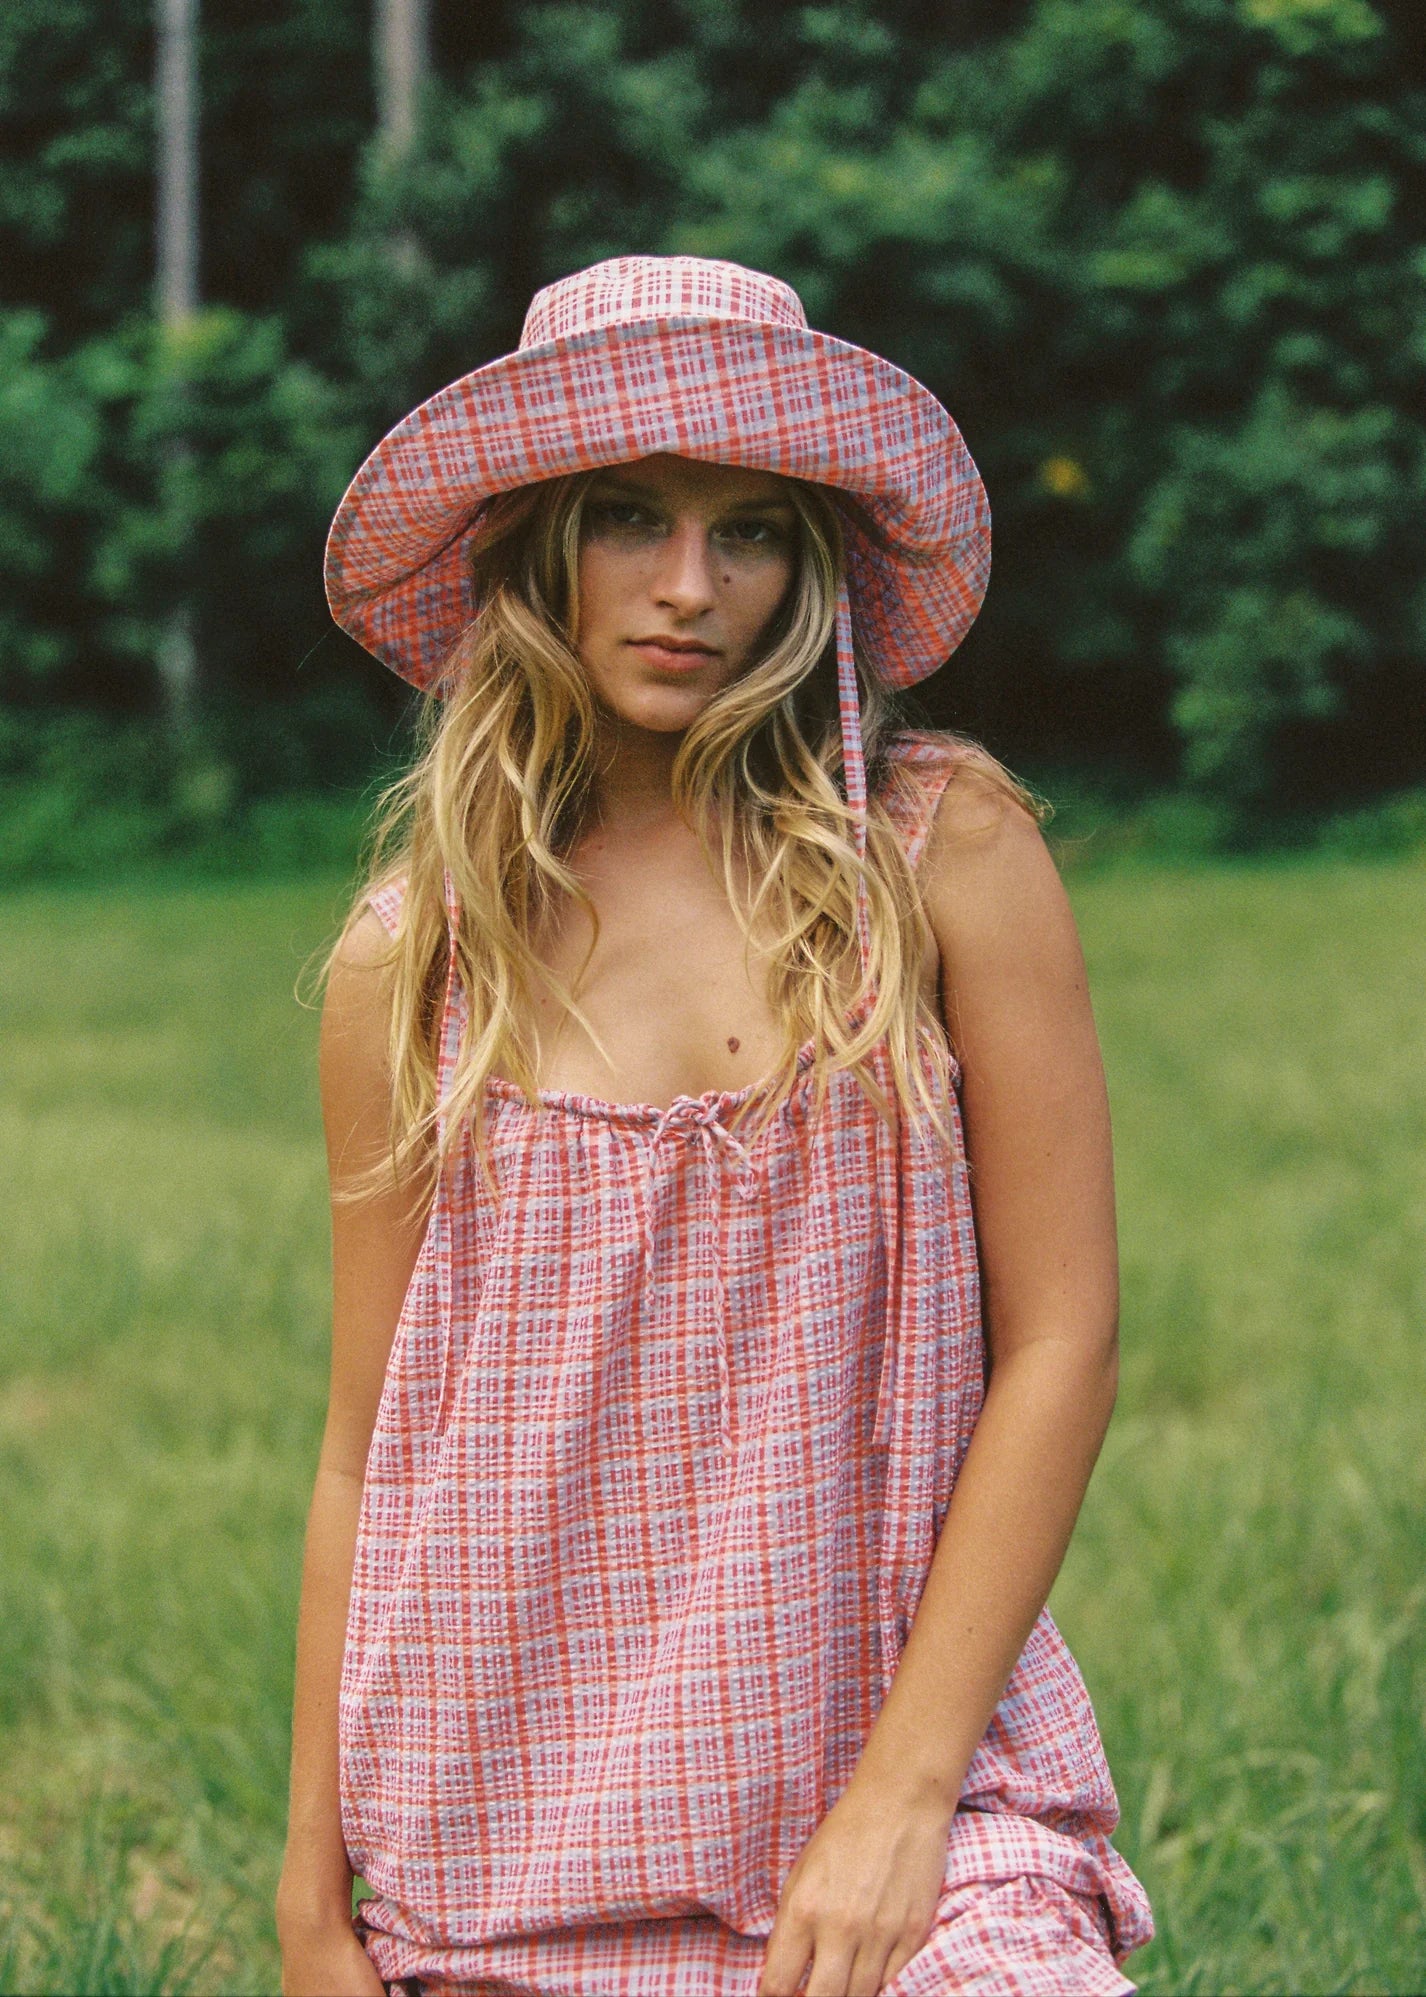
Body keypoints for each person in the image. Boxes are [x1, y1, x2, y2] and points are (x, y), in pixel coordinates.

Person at [276, 255, 1154, 1997]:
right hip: (509, 1837)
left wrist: (903, 1798)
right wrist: (316, 1904)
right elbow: (367, 1455)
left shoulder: (937, 854)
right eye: (626, 518)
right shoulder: (418, 959)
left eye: (747, 529)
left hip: (902, 1786)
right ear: (534, 544)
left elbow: (1061, 1338)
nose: (690, 587)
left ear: (807, 562)